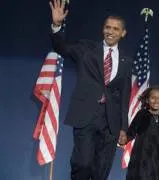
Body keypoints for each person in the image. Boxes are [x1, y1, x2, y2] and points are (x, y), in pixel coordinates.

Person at [49, 0, 131, 179]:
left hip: (111, 121)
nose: (110, 31)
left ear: (123, 33)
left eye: (115, 29)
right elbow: (61, 48)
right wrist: (56, 26)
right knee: (83, 163)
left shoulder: (126, 60)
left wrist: (124, 128)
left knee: (101, 170)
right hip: (86, 115)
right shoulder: (86, 49)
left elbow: (124, 96)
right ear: (103, 29)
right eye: (107, 27)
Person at [125, 86, 159, 180]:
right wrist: (123, 139)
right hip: (143, 156)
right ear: (147, 100)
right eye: (153, 98)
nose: (156, 101)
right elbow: (131, 132)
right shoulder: (142, 114)